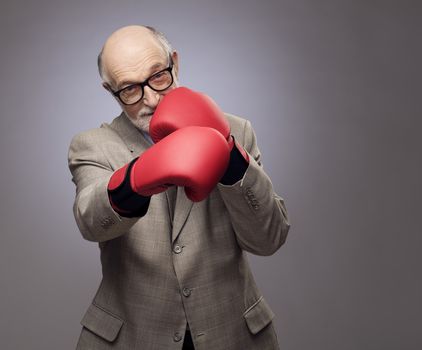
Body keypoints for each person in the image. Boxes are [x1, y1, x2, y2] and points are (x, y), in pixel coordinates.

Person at [67, 25, 290, 350]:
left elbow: (269, 238)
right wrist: (134, 180)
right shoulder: (92, 145)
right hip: (131, 338)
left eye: (158, 76)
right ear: (110, 90)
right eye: (130, 89)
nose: (152, 99)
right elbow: (90, 219)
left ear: (175, 63)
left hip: (232, 334)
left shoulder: (237, 131)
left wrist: (228, 153)